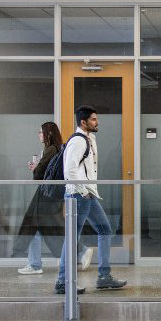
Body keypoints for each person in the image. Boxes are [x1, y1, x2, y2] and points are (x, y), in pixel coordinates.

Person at [55, 105, 127, 294]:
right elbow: (69, 171)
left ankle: (104, 276)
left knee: (105, 229)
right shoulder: (78, 141)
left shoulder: (89, 139)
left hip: (88, 195)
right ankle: (62, 281)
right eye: (94, 119)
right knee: (72, 238)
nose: (97, 122)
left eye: (97, 118)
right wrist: (82, 190)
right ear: (83, 122)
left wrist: (88, 191)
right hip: (79, 195)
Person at [11, 122, 95, 274]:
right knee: (39, 228)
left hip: (46, 194)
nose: (39, 135)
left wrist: (35, 168)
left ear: (48, 134)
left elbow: (39, 175)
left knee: (48, 228)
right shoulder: (54, 149)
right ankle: (35, 263)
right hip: (50, 193)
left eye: (41, 132)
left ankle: (80, 251)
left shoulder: (50, 150)